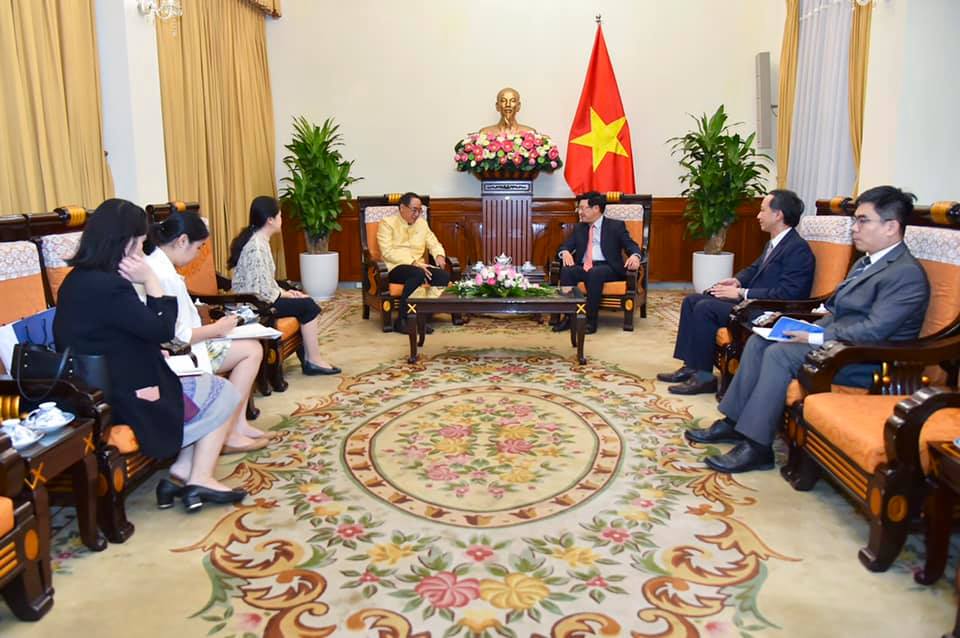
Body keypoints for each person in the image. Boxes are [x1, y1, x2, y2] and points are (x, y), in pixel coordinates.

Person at [686, 185, 930, 473]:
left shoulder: (905, 274)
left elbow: (874, 331)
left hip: (865, 360)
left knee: (779, 354)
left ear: (891, 227)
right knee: (759, 342)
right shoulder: (866, 262)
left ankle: (757, 446)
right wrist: (805, 325)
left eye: (863, 220)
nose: (855, 228)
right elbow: (837, 310)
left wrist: (816, 336)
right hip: (837, 342)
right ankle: (734, 422)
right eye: (855, 220)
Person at [54, 199, 246, 512]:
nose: (142, 253)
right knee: (223, 392)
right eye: (141, 243)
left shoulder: (77, 280)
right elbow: (162, 330)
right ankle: (198, 477)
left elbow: (118, 332)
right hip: (122, 396)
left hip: (96, 387)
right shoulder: (110, 286)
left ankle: (184, 473)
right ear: (125, 241)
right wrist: (152, 282)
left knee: (202, 387)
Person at [657, 190, 815, 395]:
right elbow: (754, 269)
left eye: (762, 210)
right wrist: (737, 280)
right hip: (755, 303)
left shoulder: (797, 249)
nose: (758, 216)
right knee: (692, 301)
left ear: (778, 215)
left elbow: (788, 293)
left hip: (769, 311)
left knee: (705, 308)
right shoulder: (775, 243)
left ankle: (705, 378)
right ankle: (691, 366)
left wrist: (741, 293)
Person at [144, 211, 269, 454]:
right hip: (179, 353)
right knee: (251, 350)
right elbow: (178, 336)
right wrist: (217, 329)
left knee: (252, 346)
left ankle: (238, 425)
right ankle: (230, 430)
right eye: (199, 247)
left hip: (183, 345)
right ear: (182, 241)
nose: (199, 253)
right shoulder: (163, 275)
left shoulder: (159, 264)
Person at [229, 196, 340, 375]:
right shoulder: (256, 247)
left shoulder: (259, 240)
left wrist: (286, 293)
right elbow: (260, 290)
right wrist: (283, 294)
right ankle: (313, 360)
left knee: (298, 295)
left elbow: (265, 282)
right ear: (270, 220)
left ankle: (309, 357)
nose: (282, 219)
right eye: (280, 216)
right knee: (308, 306)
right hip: (254, 305)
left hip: (260, 298)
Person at [553, 191, 643, 334]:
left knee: (596, 273)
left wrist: (635, 256)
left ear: (596, 208)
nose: (580, 212)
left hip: (608, 268)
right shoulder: (580, 228)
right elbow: (565, 246)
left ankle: (590, 321)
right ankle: (569, 318)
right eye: (579, 208)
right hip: (584, 266)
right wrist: (564, 252)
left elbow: (630, 245)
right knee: (567, 270)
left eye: (583, 208)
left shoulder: (615, 226)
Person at [376, 191, 450, 333]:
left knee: (443, 276)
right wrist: (413, 262)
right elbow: (387, 252)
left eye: (419, 211)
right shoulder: (387, 223)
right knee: (417, 274)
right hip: (395, 267)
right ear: (402, 208)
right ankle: (403, 320)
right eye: (414, 210)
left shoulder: (422, 223)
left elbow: (433, 242)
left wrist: (439, 255)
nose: (417, 214)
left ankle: (423, 317)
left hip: (420, 267)